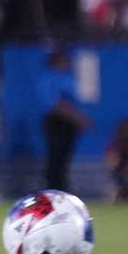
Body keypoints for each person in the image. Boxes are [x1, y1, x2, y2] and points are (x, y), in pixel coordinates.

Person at [37, 48, 91, 192]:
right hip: (56, 122)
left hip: (69, 123)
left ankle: (61, 187)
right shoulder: (48, 78)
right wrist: (77, 118)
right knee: (56, 156)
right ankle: (53, 188)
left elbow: (72, 101)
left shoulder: (68, 78)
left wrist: (77, 118)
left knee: (64, 158)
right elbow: (54, 104)